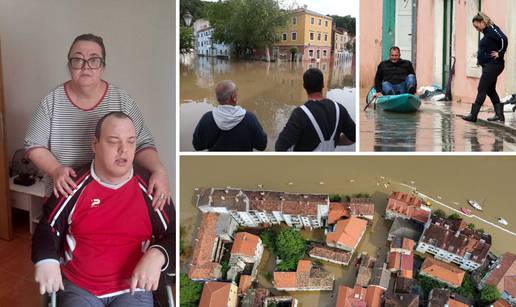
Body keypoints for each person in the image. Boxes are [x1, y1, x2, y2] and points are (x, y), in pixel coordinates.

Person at [32, 112, 174, 306]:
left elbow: (174, 236)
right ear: (94, 144)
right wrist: (46, 259)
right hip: (79, 287)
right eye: (113, 141)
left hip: (134, 289)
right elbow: (47, 227)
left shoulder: (152, 189)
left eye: (131, 142)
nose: (123, 149)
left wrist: (158, 254)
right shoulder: (71, 186)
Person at [24, 33, 170, 209]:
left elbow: (142, 143)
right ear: (69, 65)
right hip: (66, 194)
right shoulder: (51, 101)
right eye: (78, 60)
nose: (86, 67)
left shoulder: (122, 100)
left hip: (114, 194)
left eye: (94, 60)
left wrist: (159, 170)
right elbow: (33, 144)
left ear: (103, 67)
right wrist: (55, 169)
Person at [275, 68, 355, 151]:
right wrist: (336, 141)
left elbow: (279, 147)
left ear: (304, 86)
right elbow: (353, 137)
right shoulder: (339, 109)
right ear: (323, 85)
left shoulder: (299, 114)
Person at [192, 80, 267, 151]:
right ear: (233, 98)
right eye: (236, 92)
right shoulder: (249, 118)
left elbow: (197, 146)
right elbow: (262, 145)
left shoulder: (206, 119)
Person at [462, 12, 508, 122]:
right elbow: (489, 45)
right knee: (490, 90)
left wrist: (500, 53)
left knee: (482, 88)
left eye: (476, 26)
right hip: (489, 65)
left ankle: (473, 115)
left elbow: (504, 39)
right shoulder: (487, 32)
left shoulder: (492, 29)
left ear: (482, 22)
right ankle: (499, 115)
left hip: (494, 65)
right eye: (474, 27)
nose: (476, 29)